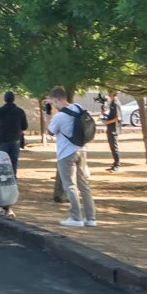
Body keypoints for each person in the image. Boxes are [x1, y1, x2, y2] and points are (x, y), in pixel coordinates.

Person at [48, 87, 97, 227]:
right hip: (81, 150)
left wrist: (49, 114)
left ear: (56, 99)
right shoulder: (78, 107)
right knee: (84, 185)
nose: (53, 105)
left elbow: (50, 131)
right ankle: (91, 218)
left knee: (70, 185)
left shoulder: (59, 116)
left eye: (53, 102)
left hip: (66, 153)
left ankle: (76, 217)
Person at [0, 91, 28, 173]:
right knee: (14, 162)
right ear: (14, 99)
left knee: (2, 161)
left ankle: (3, 179)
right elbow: (25, 126)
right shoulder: (20, 111)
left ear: (5, 99)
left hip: (3, 139)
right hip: (15, 139)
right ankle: (13, 180)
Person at [103, 91, 122, 170]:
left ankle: (117, 164)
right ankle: (115, 162)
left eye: (109, 92)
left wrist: (108, 122)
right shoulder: (112, 102)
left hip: (114, 128)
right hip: (110, 128)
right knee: (112, 146)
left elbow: (118, 117)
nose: (108, 94)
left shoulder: (116, 103)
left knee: (114, 147)